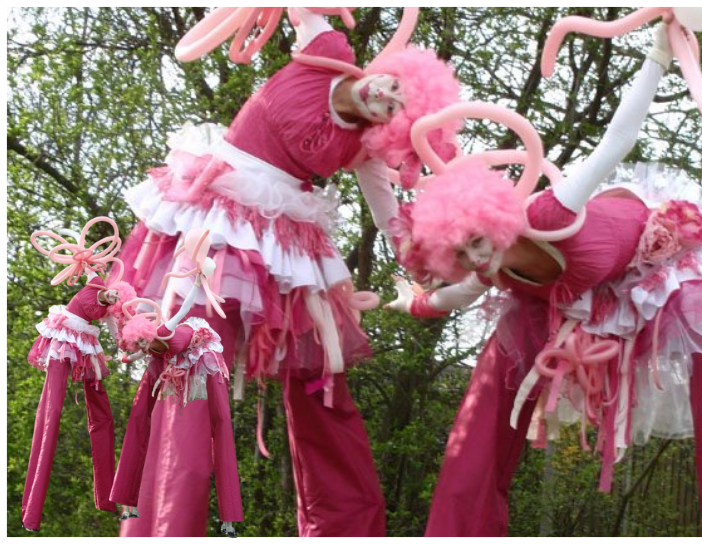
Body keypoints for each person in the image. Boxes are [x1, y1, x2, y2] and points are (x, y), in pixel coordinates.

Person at [388, 25, 702, 537]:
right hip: (585, 297)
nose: (476, 258)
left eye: (476, 241)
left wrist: (659, 53)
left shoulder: (552, 213)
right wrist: (409, 305)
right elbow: (456, 295)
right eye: (461, 253)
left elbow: (617, 139)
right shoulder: (494, 270)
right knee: (497, 370)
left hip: (665, 264)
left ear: (494, 219)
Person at [114, 8, 461, 537]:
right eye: (394, 88)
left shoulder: (362, 146)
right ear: (391, 69)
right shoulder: (330, 54)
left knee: (322, 381)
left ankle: (345, 527)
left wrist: (420, 257)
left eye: (394, 109)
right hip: (223, 219)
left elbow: (388, 212)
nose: (384, 99)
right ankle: (163, 526)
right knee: (193, 363)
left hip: (289, 247)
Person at [111, 245, 242, 538]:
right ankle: (129, 503)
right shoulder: (152, 353)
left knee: (219, 425)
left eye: (143, 343)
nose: (142, 348)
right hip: (181, 368)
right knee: (140, 418)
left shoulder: (167, 329)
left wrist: (196, 284)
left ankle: (229, 518)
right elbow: (130, 355)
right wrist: (121, 354)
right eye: (141, 346)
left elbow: (184, 309)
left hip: (206, 358)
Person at [24, 222, 136, 531]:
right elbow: (94, 282)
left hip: (87, 345)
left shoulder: (111, 302)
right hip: (66, 340)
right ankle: (31, 508)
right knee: (52, 411)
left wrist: (127, 348)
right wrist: (89, 263)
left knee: (102, 415)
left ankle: (106, 496)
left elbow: (116, 332)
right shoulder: (96, 285)